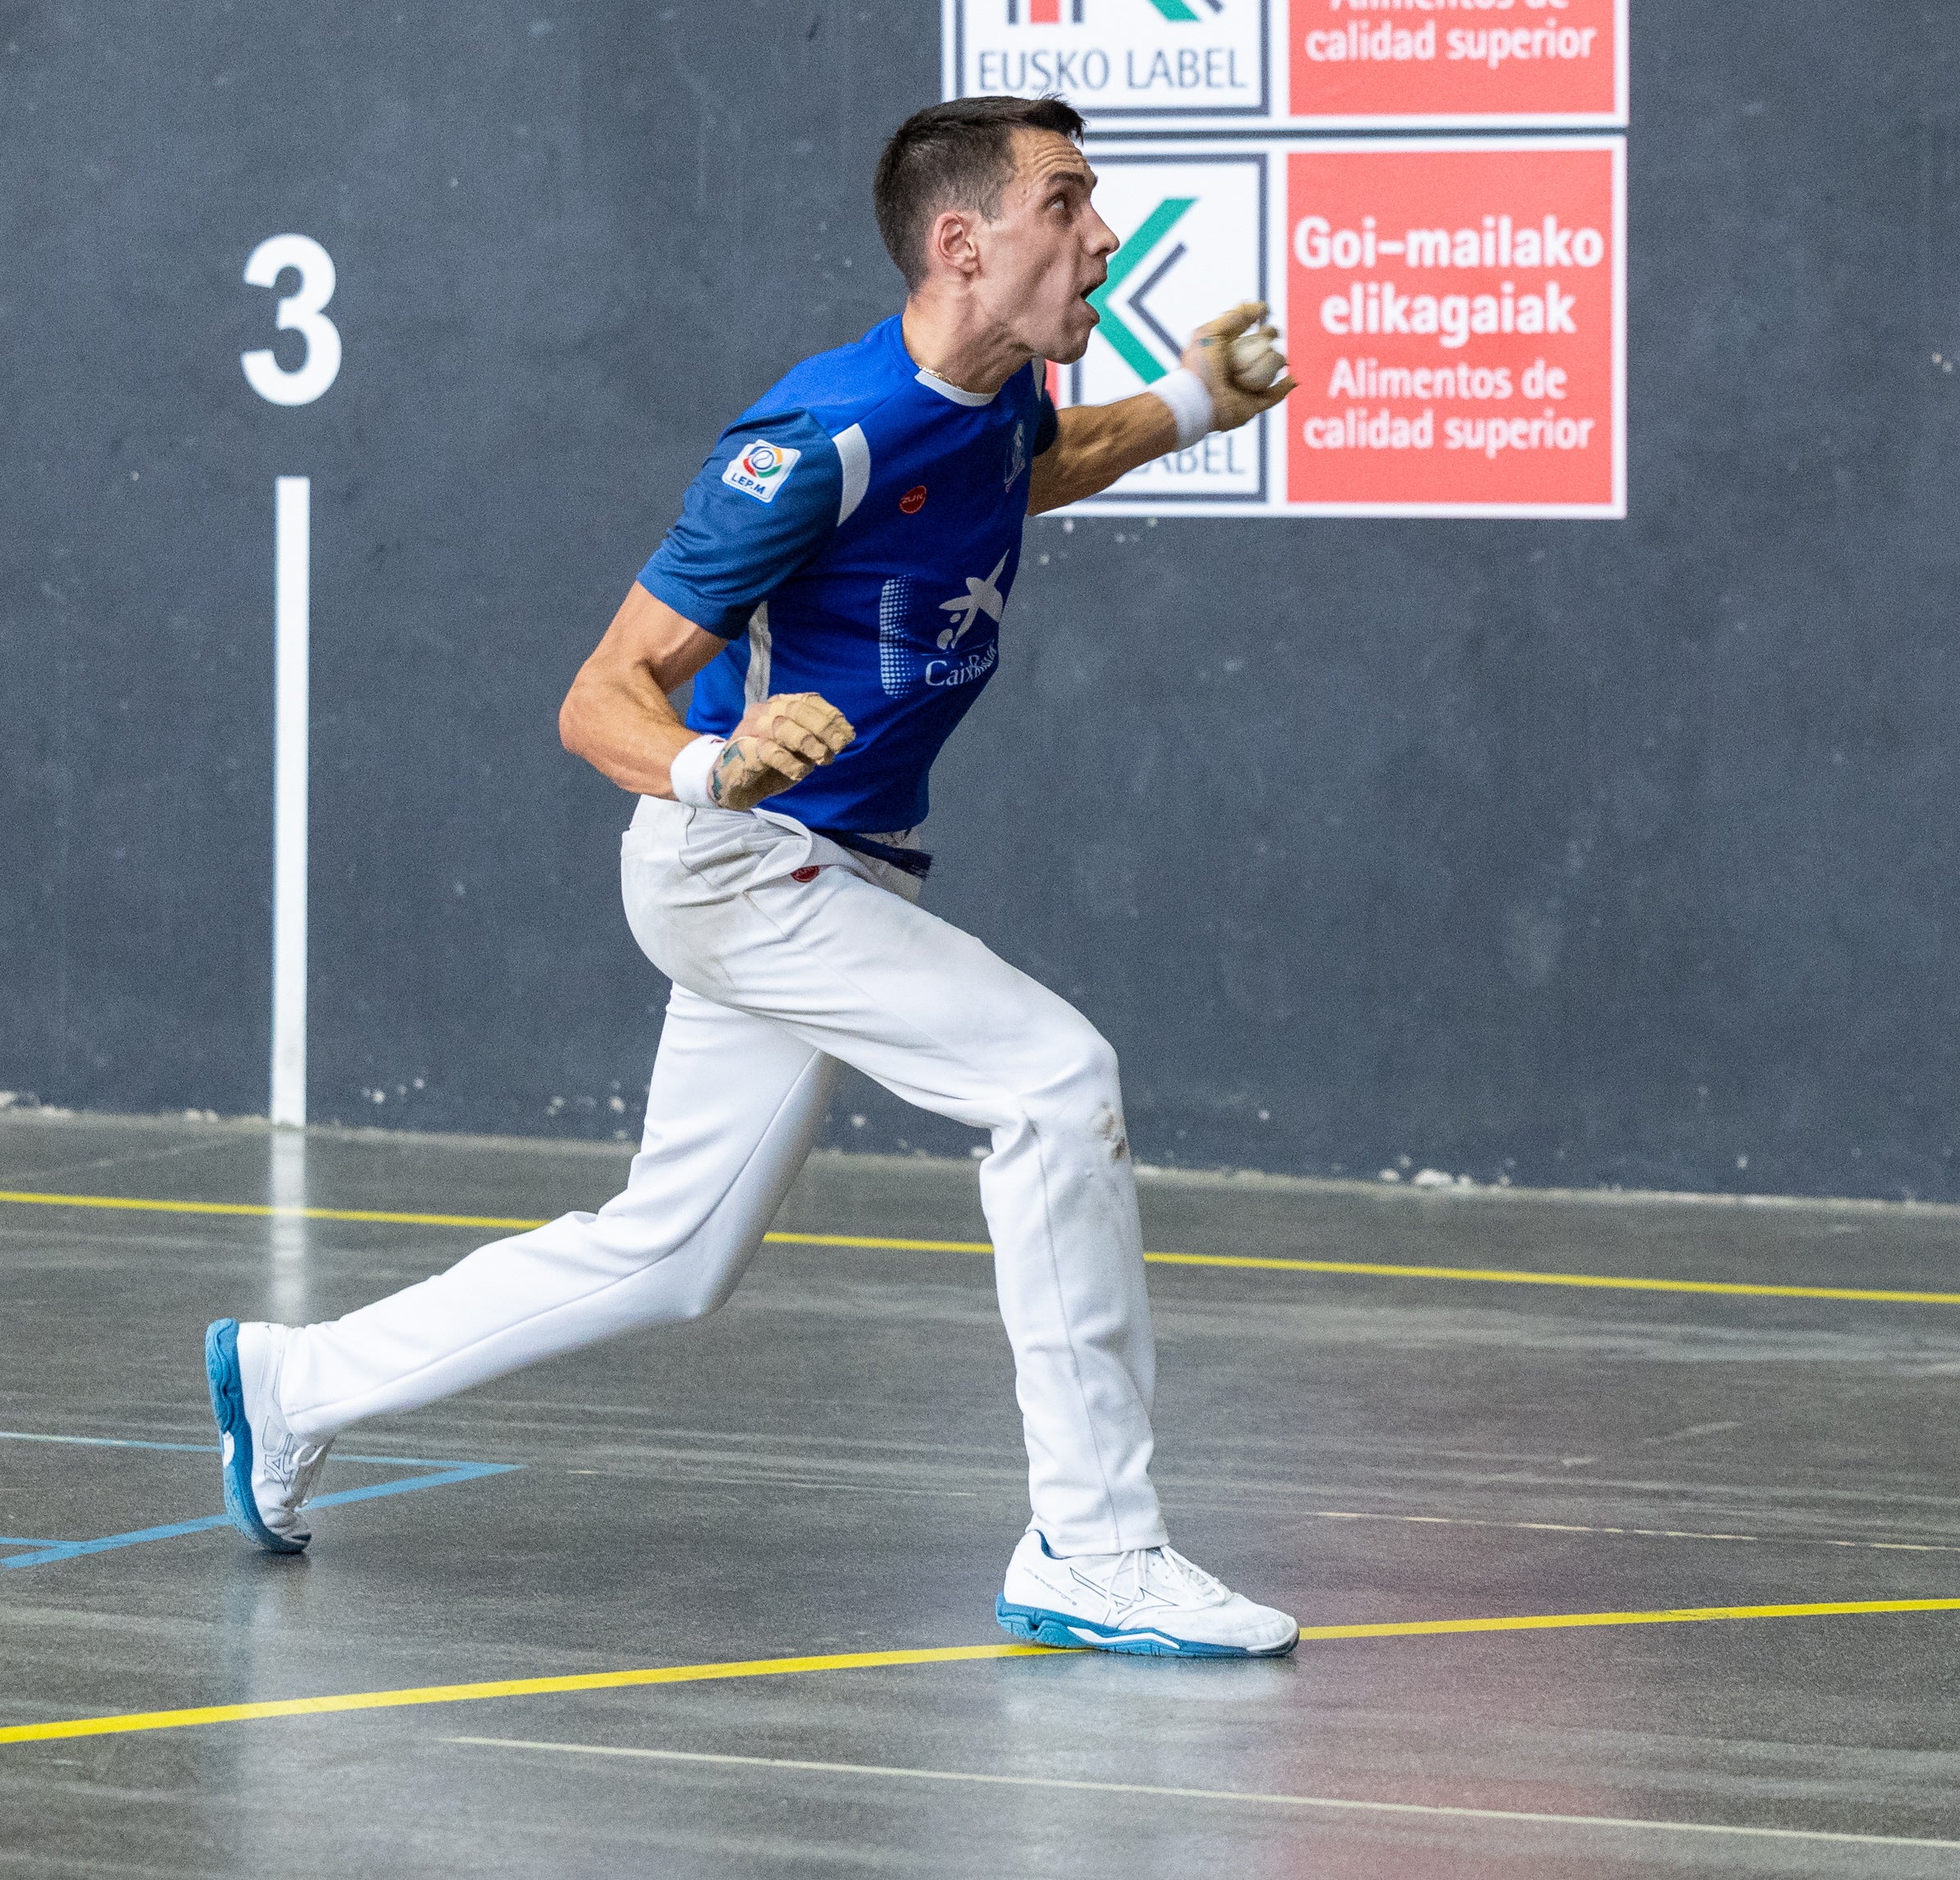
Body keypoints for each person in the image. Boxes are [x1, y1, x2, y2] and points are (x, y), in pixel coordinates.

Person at [203, 94, 1301, 1659]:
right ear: (961, 241)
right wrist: (717, 763)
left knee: (674, 1251)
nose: (1104, 235)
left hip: (840, 871)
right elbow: (601, 695)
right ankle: (1096, 1543)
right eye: (1068, 204)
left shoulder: (993, 397)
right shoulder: (817, 437)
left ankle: (291, 1382)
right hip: (744, 862)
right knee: (1057, 1084)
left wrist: (1192, 402)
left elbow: (1038, 468)